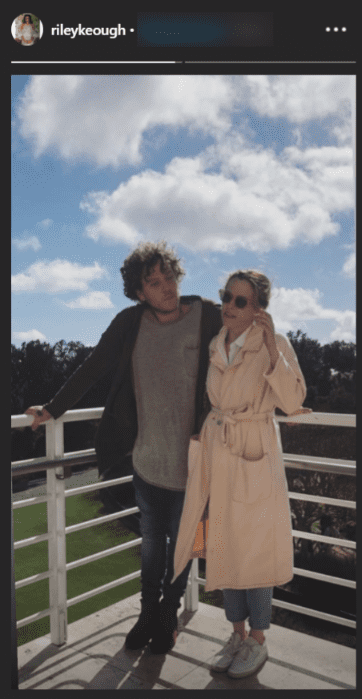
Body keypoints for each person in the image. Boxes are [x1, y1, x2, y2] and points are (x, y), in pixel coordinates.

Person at [25, 241, 222, 655]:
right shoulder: (130, 323)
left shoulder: (207, 316)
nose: (166, 286)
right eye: (154, 281)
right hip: (148, 462)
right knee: (152, 544)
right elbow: (93, 366)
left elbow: (244, 344)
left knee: (185, 544)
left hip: (197, 464)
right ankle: (147, 613)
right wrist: (52, 408)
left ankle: (167, 617)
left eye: (169, 276)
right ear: (138, 291)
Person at [172, 270, 311, 679]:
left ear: (259, 311)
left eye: (241, 302)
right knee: (221, 544)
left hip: (253, 455)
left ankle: (259, 641)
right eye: (226, 298)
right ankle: (235, 635)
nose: (229, 307)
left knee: (255, 550)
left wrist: (271, 346)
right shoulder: (217, 344)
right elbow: (213, 400)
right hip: (219, 454)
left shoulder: (275, 345)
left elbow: (292, 401)